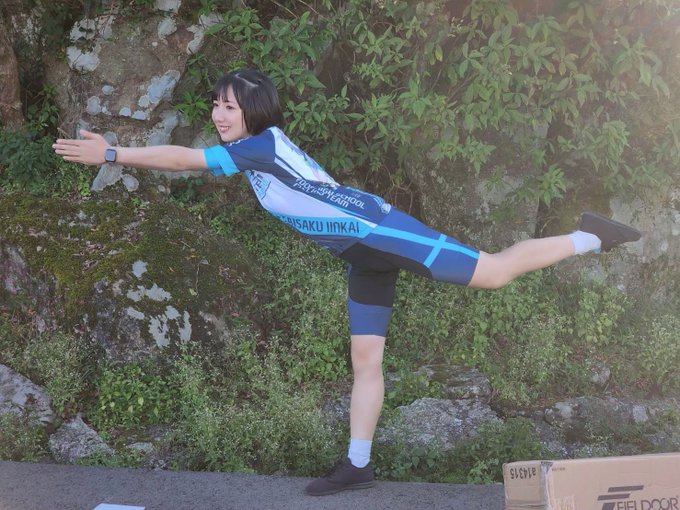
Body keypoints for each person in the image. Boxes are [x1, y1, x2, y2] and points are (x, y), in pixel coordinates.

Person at [53, 69, 641, 496]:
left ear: (253, 110)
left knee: (493, 271)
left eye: (227, 106)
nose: (217, 114)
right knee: (365, 359)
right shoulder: (254, 153)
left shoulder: (260, 146)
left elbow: (186, 161)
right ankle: (358, 464)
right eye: (215, 105)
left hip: (380, 231)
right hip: (360, 255)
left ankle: (591, 236)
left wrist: (114, 154)